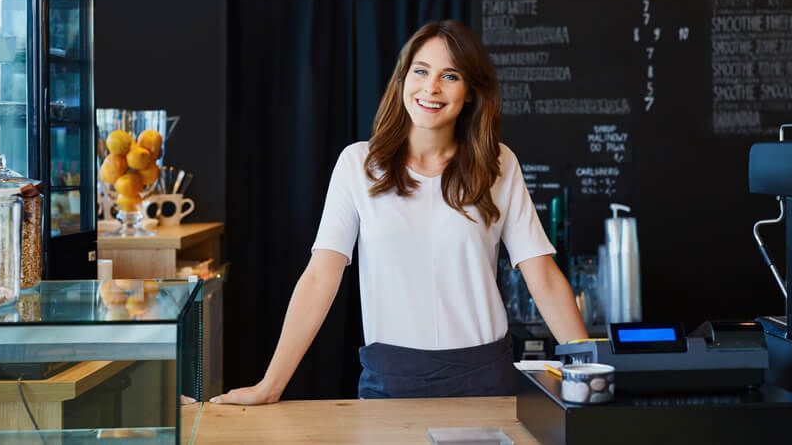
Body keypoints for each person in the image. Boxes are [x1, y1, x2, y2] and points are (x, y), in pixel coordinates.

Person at [212, 20, 587, 403]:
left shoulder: (498, 163)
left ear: (471, 91)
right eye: (420, 71)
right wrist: (270, 386)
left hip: (485, 378)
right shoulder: (358, 164)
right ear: (402, 79)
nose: (431, 88)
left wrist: (587, 371)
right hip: (391, 381)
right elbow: (319, 278)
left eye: (450, 76)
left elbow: (541, 274)